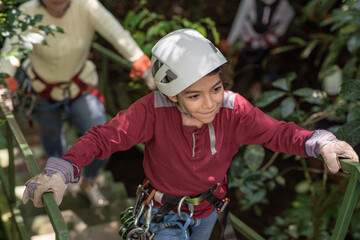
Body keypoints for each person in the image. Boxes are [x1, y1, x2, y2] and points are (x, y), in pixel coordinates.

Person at [22, 29, 359, 240]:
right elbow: (103, 137)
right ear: (173, 96)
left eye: (215, 88)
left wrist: (321, 142)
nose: (210, 103)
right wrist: (62, 171)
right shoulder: (152, 110)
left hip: (208, 210)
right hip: (164, 215)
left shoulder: (233, 108)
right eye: (194, 96)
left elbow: (278, 134)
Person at [0, 0, 155, 207]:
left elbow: (116, 33)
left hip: (80, 86)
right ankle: (56, 181)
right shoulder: (27, 12)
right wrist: (4, 81)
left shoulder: (87, 6)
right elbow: (11, 51)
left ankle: (88, 182)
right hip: (42, 89)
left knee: (102, 136)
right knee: (52, 141)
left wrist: (142, 64)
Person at [220, 0, 295, 101]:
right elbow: (239, 20)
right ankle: (227, 96)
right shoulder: (249, 2)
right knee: (238, 69)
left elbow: (290, 14)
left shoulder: (282, 4)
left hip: (265, 45)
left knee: (259, 73)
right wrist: (231, 41)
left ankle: (256, 102)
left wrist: (278, 32)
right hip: (247, 41)